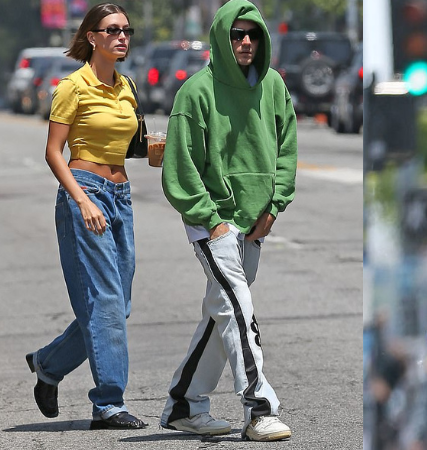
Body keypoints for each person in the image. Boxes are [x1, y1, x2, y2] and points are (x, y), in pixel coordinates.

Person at [158, 0, 297, 442]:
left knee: (221, 314)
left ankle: (184, 403)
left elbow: (287, 148)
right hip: (212, 221)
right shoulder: (195, 92)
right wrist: (211, 220)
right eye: (236, 35)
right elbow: (179, 169)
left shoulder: (273, 85)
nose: (245, 42)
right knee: (238, 307)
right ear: (221, 37)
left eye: (252, 34)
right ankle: (259, 407)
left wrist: (274, 207)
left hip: (255, 220)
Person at [25, 2, 147, 429]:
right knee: (107, 302)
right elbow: (53, 152)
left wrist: (155, 150)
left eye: (127, 31)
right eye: (113, 30)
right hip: (87, 193)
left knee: (119, 303)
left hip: (122, 195)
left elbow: (130, 144)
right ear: (92, 36)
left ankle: (49, 364)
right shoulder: (71, 87)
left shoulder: (128, 86)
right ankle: (108, 402)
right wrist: (81, 200)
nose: (122, 37)